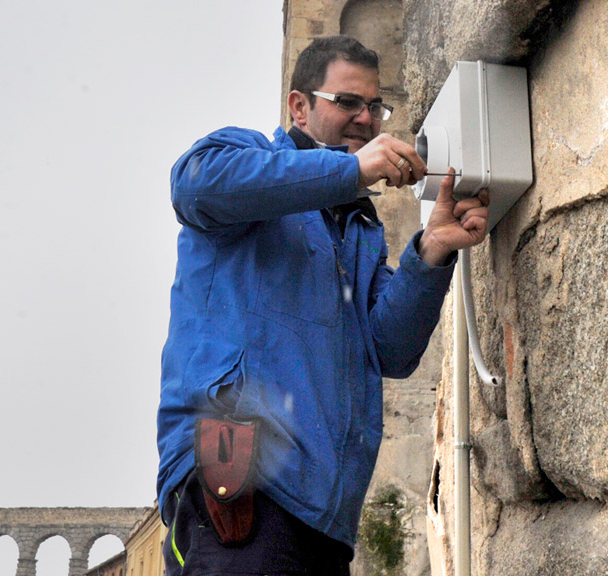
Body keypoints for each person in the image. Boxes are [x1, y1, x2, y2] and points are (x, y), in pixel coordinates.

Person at [157, 35, 489, 574]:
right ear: (299, 106)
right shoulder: (245, 156)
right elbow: (193, 188)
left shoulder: (359, 229)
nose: (366, 118)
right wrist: (350, 172)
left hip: (325, 521)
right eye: (348, 102)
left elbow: (391, 350)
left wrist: (431, 249)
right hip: (240, 491)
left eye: (375, 107)